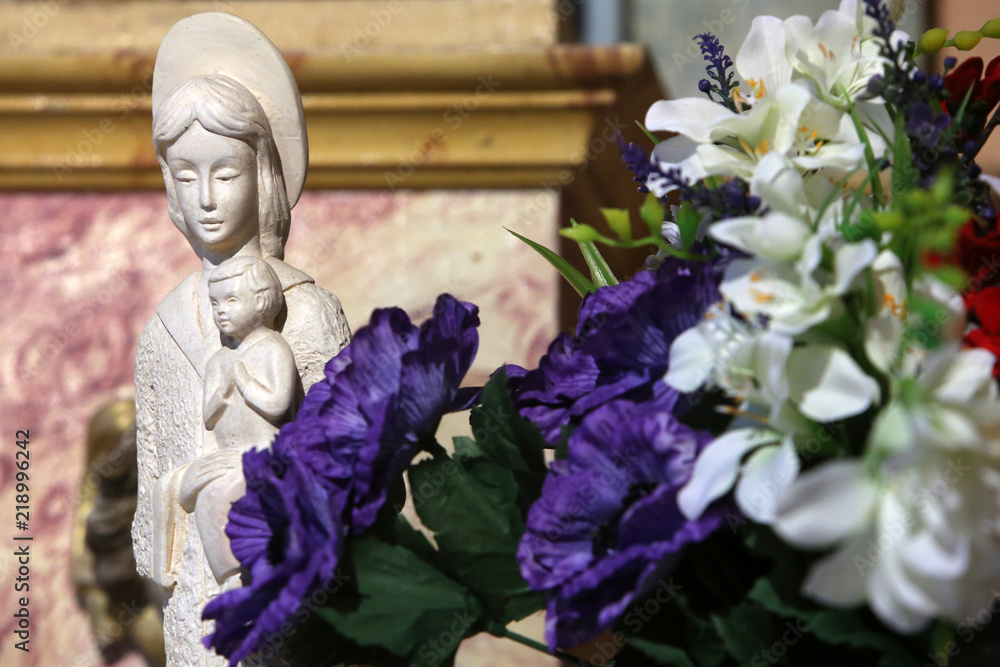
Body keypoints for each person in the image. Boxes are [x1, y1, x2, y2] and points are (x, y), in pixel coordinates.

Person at [132, 15, 351, 666]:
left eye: (224, 173)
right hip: (196, 606)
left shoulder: (305, 312)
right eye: (184, 174)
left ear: (261, 173)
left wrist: (257, 474)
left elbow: (348, 468)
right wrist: (182, 486)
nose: (204, 198)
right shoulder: (163, 330)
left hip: (288, 597)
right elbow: (153, 482)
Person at [178, 256, 297, 585]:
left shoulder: (273, 348)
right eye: (215, 303)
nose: (221, 311)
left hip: (264, 452)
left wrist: (244, 382)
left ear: (260, 301)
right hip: (230, 452)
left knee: (218, 498)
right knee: (202, 499)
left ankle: (251, 578)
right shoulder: (219, 361)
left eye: (231, 300)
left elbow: (277, 404)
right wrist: (222, 393)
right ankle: (230, 581)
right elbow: (208, 417)